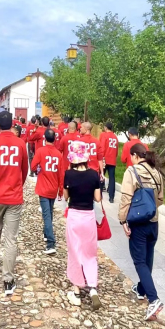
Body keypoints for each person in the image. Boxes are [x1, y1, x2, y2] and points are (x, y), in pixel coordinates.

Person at [118, 143, 165, 321]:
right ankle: (142, 289)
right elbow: (160, 199)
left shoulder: (132, 171)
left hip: (138, 223)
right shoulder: (156, 172)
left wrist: (123, 220)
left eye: (131, 157)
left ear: (135, 156)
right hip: (153, 221)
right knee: (148, 258)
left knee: (139, 260)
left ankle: (154, 299)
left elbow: (126, 198)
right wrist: (149, 209)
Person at [0, 111, 29, 295]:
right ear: (12, 124)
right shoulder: (20, 143)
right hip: (14, 195)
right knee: (11, 238)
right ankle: (8, 280)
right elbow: (25, 169)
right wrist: (19, 184)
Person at [62, 141, 103, 310]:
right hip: (88, 217)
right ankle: (92, 287)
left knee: (74, 252)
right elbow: (98, 198)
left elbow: (66, 197)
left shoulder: (68, 174)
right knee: (90, 253)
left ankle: (77, 292)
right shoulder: (93, 174)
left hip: (74, 216)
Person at [31, 129, 65, 254]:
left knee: (46, 215)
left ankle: (51, 243)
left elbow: (33, 166)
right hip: (53, 188)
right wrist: (61, 191)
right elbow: (61, 174)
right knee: (49, 212)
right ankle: (46, 233)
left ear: (44, 138)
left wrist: (38, 169)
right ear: (55, 139)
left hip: (43, 187)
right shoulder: (58, 154)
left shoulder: (40, 151)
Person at [100, 122, 119, 202]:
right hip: (112, 160)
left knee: (101, 175)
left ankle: (99, 193)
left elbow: (102, 147)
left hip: (105, 159)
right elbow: (117, 151)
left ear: (106, 127)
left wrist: (101, 158)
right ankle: (111, 197)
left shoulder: (104, 135)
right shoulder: (115, 137)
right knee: (112, 178)